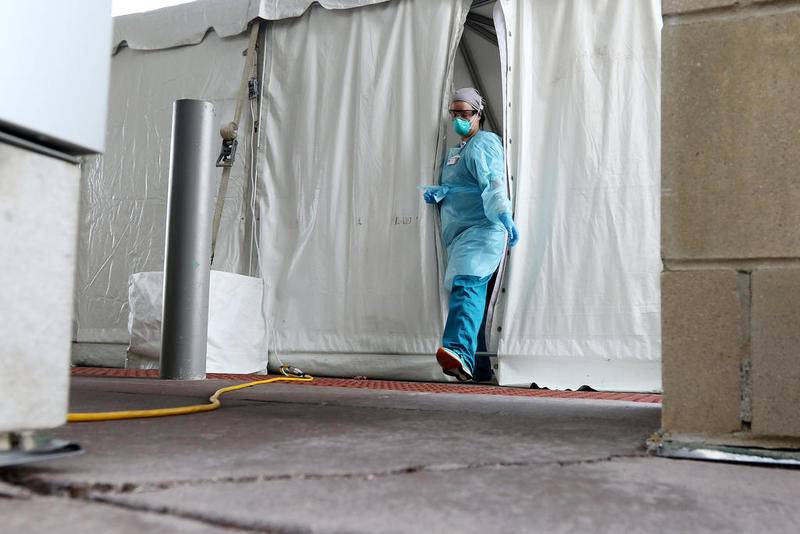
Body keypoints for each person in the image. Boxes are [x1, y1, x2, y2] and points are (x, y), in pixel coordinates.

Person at [422, 87, 519, 382]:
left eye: (466, 113)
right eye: (455, 113)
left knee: (468, 286)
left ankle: (459, 352)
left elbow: (493, 182)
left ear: (479, 114)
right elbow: (465, 186)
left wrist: (503, 214)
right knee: (471, 295)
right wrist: (442, 193)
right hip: (461, 234)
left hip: (483, 229)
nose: (460, 119)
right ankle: (479, 368)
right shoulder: (458, 151)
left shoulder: (484, 143)